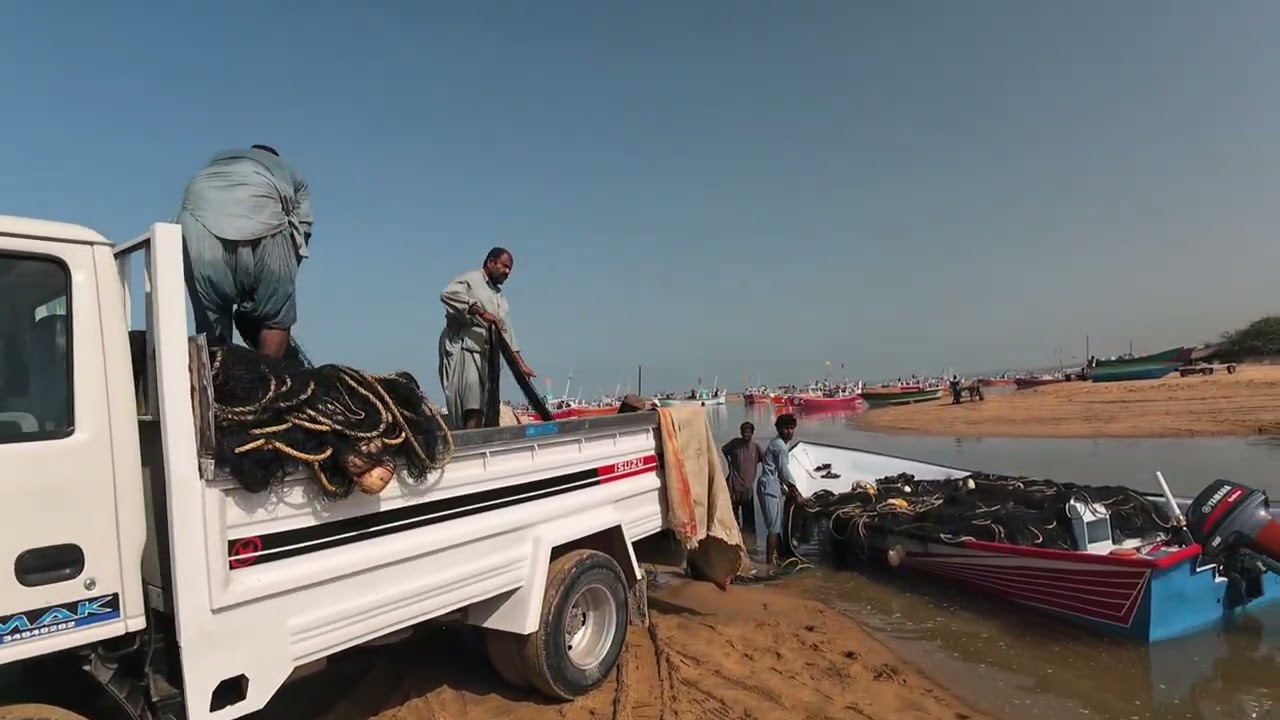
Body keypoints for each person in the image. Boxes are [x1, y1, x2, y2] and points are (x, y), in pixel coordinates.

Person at [178, 145, 313, 359]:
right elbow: (302, 230)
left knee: (210, 319)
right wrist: (276, 289)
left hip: (197, 228)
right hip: (263, 220)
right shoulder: (287, 169)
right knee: (274, 319)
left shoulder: (216, 160)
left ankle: (213, 380)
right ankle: (271, 384)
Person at [439, 248, 536, 429]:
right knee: (472, 401)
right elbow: (447, 295)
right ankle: (471, 442)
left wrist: (521, 366)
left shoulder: (498, 295)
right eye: (505, 266)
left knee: (483, 402)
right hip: (464, 347)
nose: (507, 272)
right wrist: (480, 312)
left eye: (510, 269)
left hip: (485, 352)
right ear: (491, 262)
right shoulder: (471, 279)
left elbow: (506, 333)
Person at [759, 413, 802, 566]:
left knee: (776, 524)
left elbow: (781, 472)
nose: (789, 432)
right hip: (769, 484)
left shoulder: (783, 444)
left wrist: (788, 488)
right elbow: (783, 471)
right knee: (773, 528)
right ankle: (769, 563)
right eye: (786, 428)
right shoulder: (780, 446)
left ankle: (781, 555)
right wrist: (794, 488)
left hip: (773, 484)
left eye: (792, 429)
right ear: (778, 429)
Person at [721, 421, 764, 530]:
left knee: (749, 521)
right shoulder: (735, 444)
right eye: (744, 431)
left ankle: (750, 544)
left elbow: (765, 460)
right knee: (733, 517)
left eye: (748, 431)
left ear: (752, 433)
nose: (746, 434)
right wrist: (729, 466)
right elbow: (723, 451)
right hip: (734, 486)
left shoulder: (756, 447)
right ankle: (736, 540)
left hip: (747, 488)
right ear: (740, 432)